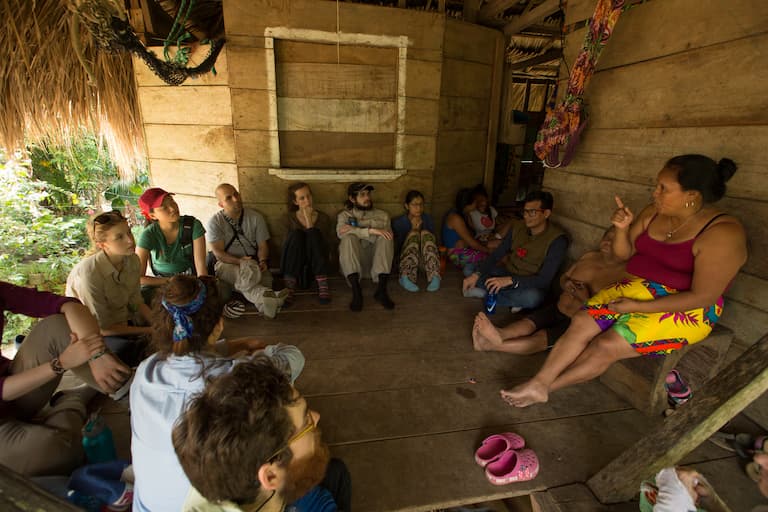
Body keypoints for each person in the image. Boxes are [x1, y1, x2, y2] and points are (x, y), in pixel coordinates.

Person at [502, 154, 748, 408]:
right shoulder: (654, 212)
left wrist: (636, 307)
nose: (655, 193)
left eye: (663, 188)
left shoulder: (722, 234)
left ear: (691, 196)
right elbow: (623, 255)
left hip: (689, 308)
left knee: (606, 344)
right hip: (641, 287)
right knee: (582, 320)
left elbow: (703, 296)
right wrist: (622, 228)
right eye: (657, 185)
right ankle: (539, 381)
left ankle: (546, 388)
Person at [130, 275, 305, 512]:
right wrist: (261, 353)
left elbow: (188, 357)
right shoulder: (236, 381)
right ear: (219, 324)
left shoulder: (146, 371)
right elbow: (293, 357)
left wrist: (225, 347)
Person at [173, 358, 351, 512]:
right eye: (306, 421)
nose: (317, 416)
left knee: (335, 471)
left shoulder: (217, 471)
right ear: (271, 476)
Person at [0, 282, 130, 476]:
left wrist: (97, 355)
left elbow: (68, 305)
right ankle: (72, 401)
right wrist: (60, 363)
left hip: (16, 392)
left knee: (58, 326)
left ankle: (133, 396)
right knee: (58, 451)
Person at [473, 227, 626, 354]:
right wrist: (567, 285)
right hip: (558, 307)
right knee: (527, 323)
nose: (607, 242)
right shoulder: (589, 256)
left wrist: (584, 298)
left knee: (540, 338)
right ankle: (499, 334)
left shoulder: (623, 274)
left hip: (576, 321)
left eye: (614, 240)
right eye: (606, 236)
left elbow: (611, 310)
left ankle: (490, 345)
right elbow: (564, 278)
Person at [462, 191, 569, 313]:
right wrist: (477, 275)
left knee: (533, 298)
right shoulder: (518, 227)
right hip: (507, 272)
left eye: (532, 212)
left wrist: (511, 281)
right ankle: (509, 298)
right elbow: (497, 255)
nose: (526, 216)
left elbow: (544, 279)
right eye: (525, 211)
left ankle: (487, 294)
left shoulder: (557, 240)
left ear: (546, 213)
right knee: (470, 269)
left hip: (528, 284)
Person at [66, 210, 152, 361]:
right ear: (102, 244)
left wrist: (158, 324)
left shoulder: (132, 260)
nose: (130, 240)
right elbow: (102, 328)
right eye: (119, 237)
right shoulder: (90, 273)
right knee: (127, 351)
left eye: (129, 232)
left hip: (124, 321)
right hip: (93, 334)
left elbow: (137, 302)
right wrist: (150, 330)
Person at [207, 183, 287, 319]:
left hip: (254, 262)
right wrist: (240, 261)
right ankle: (274, 298)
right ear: (221, 204)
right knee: (255, 276)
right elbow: (218, 253)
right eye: (229, 198)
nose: (236, 199)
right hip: (227, 264)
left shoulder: (255, 217)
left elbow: (263, 246)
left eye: (236, 194)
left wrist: (262, 260)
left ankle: (267, 307)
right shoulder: (215, 222)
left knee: (260, 275)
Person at [135, 188, 208, 303]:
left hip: (189, 279)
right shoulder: (149, 235)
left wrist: (204, 290)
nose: (173, 208)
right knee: (142, 299)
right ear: (153, 216)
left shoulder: (192, 225)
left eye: (172, 201)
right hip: (162, 282)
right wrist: (169, 280)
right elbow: (139, 278)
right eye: (164, 207)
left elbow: (201, 268)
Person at [337, 183, 395, 312]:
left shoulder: (383, 215)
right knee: (347, 239)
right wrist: (371, 231)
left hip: (377, 264)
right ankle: (356, 292)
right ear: (352, 199)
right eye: (362, 195)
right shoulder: (344, 216)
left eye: (368, 194)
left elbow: (385, 234)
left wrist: (355, 229)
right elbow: (340, 233)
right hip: (354, 267)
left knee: (386, 238)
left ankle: (381, 290)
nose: (367, 197)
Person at [280, 182, 334, 305]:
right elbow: (287, 247)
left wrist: (309, 221)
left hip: (317, 265)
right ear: (295, 202)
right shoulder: (288, 218)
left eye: (309, 196)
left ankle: (323, 285)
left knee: (315, 234)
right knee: (296, 235)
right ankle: (289, 287)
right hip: (295, 265)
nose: (307, 201)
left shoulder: (323, 218)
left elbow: (324, 247)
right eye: (302, 198)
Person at [391, 190, 441, 292]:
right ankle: (405, 277)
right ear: (406, 206)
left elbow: (433, 243)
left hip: (424, 263)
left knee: (425, 233)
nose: (418, 208)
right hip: (405, 263)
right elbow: (397, 248)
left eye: (421, 204)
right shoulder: (398, 222)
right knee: (414, 234)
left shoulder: (427, 219)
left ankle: (435, 276)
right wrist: (413, 230)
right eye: (414, 204)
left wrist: (422, 232)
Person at [441, 187, 493, 276]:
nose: (476, 204)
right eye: (475, 202)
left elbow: (471, 236)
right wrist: (488, 250)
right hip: (456, 255)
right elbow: (472, 242)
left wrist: (466, 242)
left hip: (464, 248)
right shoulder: (455, 217)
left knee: (493, 248)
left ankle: (471, 270)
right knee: (492, 257)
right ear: (468, 204)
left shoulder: (464, 214)